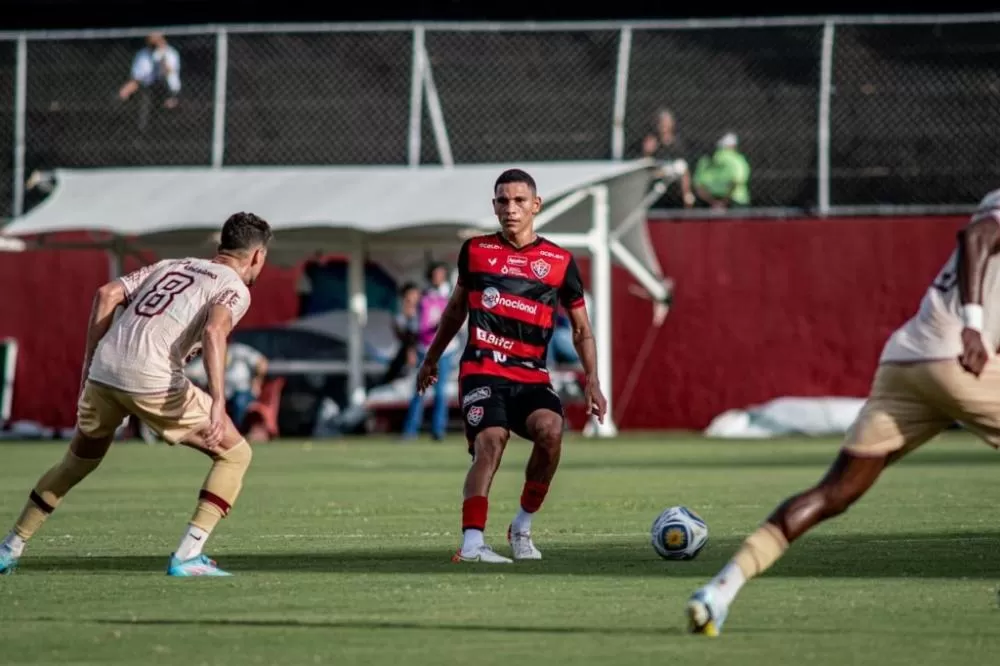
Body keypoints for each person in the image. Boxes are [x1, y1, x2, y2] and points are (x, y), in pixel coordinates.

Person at [686, 189, 1000, 635]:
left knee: (835, 492)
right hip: (956, 356)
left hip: (906, 359)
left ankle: (719, 590)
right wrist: (972, 325)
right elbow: (976, 238)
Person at [0, 212, 272, 577]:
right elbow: (214, 332)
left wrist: (90, 366)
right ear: (257, 256)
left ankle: (10, 547)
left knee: (76, 462)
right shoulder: (234, 286)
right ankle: (188, 555)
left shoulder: (171, 265)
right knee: (235, 454)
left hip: (104, 372)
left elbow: (107, 294)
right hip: (152, 378)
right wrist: (219, 402)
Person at [416, 168, 608, 564]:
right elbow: (455, 311)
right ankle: (472, 544)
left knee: (551, 431)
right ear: (494, 206)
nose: (511, 208)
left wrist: (593, 380)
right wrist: (431, 358)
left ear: (536, 205)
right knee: (491, 440)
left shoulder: (559, 262)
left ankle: (521, 526)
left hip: (531, 375)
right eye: (503, 201)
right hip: (483, 369)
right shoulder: (475, 251)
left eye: (519, 200)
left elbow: (581, 329)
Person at [402, 263, 458, 441]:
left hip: (445, 350)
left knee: (441, 392)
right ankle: (410, 431)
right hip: (424, 349)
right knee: (420, 390)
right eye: (435, 274)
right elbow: (413, 324)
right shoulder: (424, 296)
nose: (438, 277)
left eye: (440, 274)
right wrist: (411, 348)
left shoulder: (451, 294)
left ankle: (438, 430)